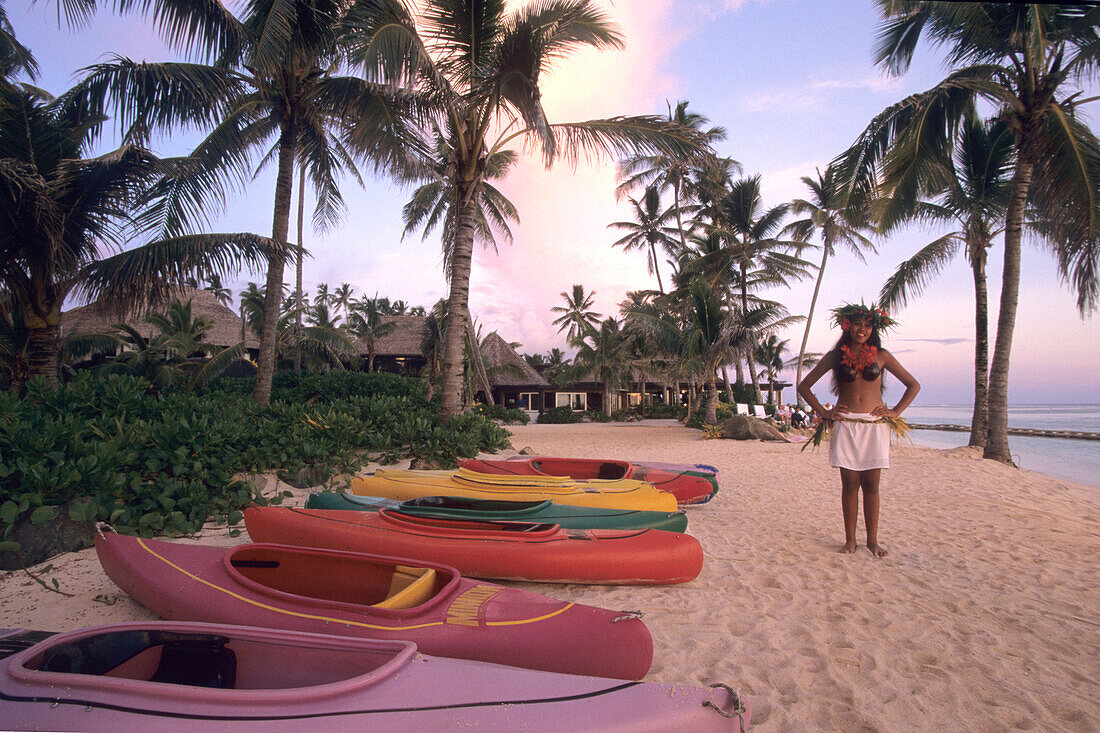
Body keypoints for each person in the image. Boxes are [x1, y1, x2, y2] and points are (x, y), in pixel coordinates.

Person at [797, 303, 920, 557]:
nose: (862, 329)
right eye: (857, 324)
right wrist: (824, 412)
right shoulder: (835, 357)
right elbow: (804, 386)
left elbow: (913, 385)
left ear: (873, 328)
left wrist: (895, 412)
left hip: (874, 426)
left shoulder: (882, 355)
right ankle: (850, 541)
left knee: (872, 485)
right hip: (846, 424)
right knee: (850, 484)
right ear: (847, 325)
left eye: (867, 325)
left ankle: (872, 541)